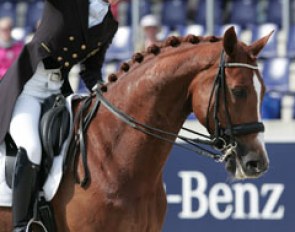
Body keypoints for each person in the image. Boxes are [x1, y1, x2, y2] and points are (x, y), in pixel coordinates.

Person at [0, 0, 120, 231]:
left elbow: (91, 68)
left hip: (58, 91)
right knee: (32, 147)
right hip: (29, 88)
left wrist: (103, 92)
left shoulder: (109, 25)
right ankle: (21, 224)